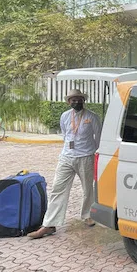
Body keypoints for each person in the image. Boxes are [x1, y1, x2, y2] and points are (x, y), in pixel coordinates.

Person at [28, 89, 102, 239]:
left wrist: (93, 153)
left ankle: (88, 215)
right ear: (68, 102)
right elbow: (66, 135)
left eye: (79, 99)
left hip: (86, 157)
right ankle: (49, 224)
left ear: (84, 100)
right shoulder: (65, 116)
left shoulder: (92, 117)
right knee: (58, 188)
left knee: (88, 188)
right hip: (66, 157)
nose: (76, 102)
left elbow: (99, 137)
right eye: (73, 100)